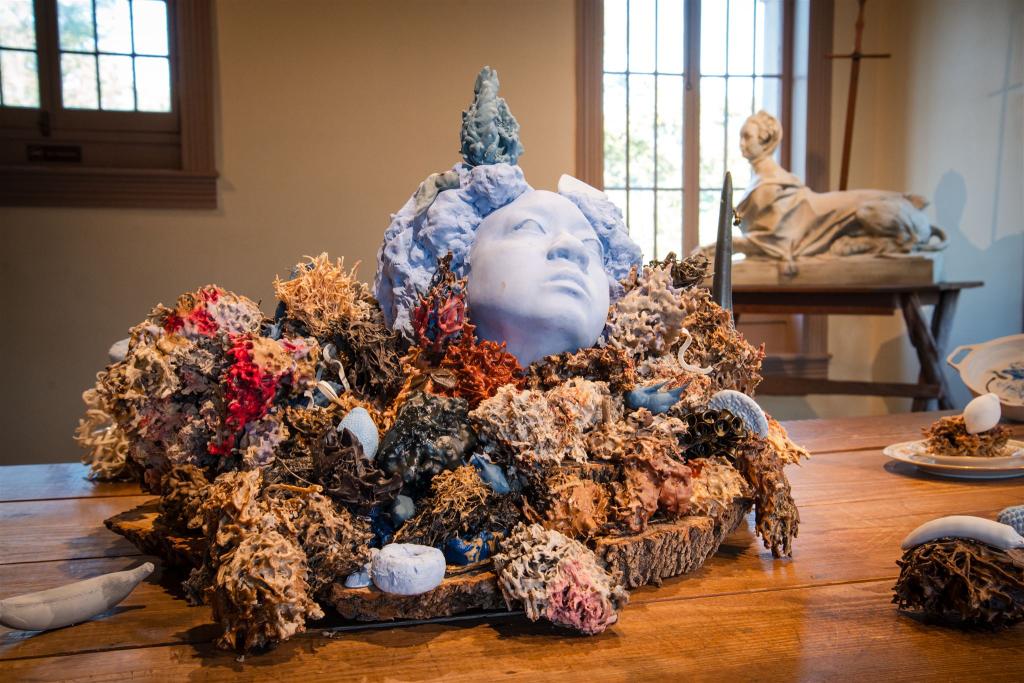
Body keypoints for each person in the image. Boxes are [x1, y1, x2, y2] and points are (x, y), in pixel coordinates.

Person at [733, 111, 945, 272]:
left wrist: (725, 247)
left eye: (747, 137)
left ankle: (891, 242)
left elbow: (777, 245)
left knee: (867, 212)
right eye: (741, 136)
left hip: (896, 217)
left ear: (767, 141)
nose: (741, 143)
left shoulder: (774, 187)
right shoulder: (762, 183)